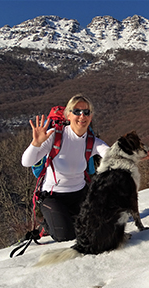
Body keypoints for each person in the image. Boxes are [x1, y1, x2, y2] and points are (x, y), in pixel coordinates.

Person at [22, 94, 109, 241]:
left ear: (91, 116)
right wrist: (35, 143)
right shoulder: (55, 136)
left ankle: (69, 218)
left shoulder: (92, 141)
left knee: (99, 229)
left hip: (80, 194)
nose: (82, 115)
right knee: (67, 236)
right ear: (68, 115)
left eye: (86, 112)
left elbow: (113, 155)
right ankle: (49, 225)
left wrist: (140, 153)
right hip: (53, 197)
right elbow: (26, 162)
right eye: (77, 111)